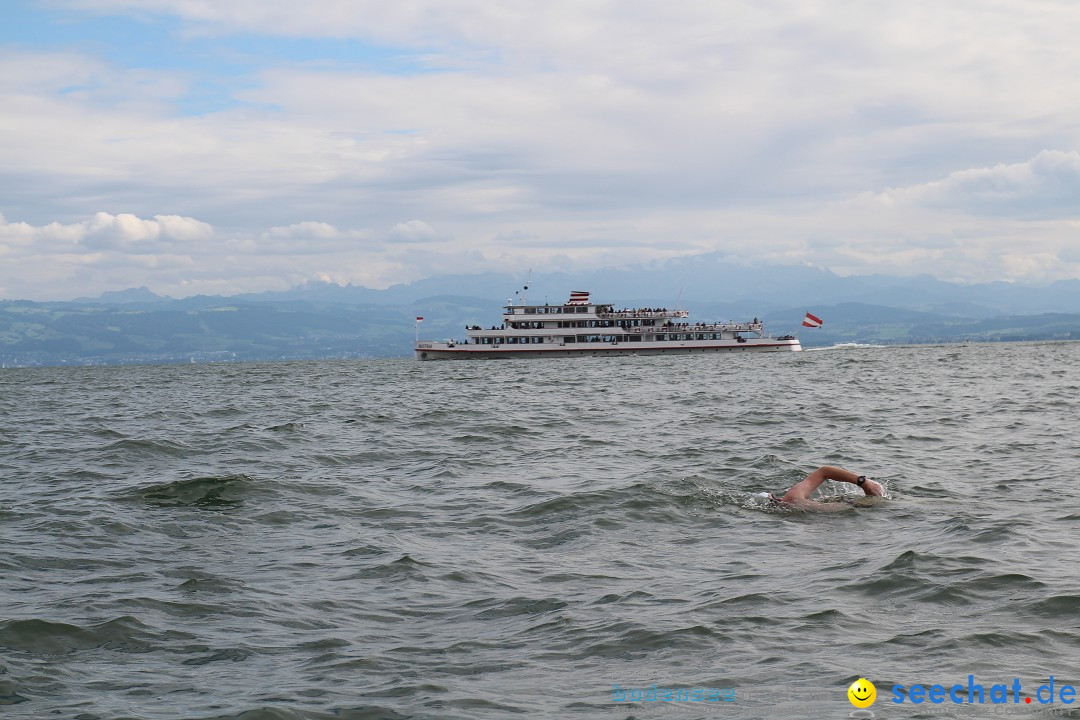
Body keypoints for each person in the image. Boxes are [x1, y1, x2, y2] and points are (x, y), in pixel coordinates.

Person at [762, 466, 884, 510]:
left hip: (854, 505)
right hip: (854, 507)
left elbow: (824, 471)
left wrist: (863, 482)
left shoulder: (793, 496)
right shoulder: (794, 499)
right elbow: (823, 471)